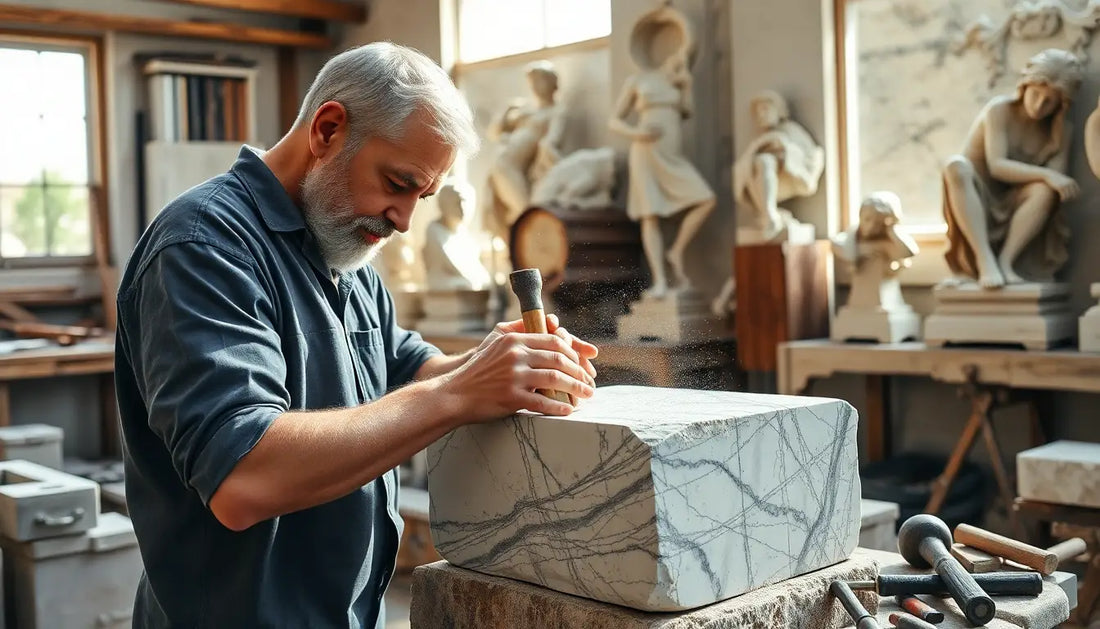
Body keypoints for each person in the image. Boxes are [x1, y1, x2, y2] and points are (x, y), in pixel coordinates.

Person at [114, 42, 598, 628]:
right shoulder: (204, 247)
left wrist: (506, 362)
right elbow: (243, 475)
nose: (404, 219)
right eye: (397, 183)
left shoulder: (342, 252)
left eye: (421, 197)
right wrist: (458, 393)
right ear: (328, 129)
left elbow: (410, 367)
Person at [942, 48, 1082, 288]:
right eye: (1036, 94)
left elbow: (1058, 184)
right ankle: (984, 257)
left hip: (1018, 203)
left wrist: (1050, 178)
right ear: (1025, 87)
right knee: (956, 166)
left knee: (1046, 191)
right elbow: (997, 167)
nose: (1039, 105)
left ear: (1061, 105)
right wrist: (1048, 174)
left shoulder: (1062, 133)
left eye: (1049, 101)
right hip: (979, 197)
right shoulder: (1000, 110)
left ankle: (1007, 262)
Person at [609, 9, 715, 299]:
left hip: (672, 154)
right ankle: (659, 282)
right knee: (650, 215)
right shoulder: (637, 82)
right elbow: (614, 120)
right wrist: (637, 134)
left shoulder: (678, 82)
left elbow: (687, 112)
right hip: (645, 150)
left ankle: (676, 251)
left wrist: (687, 84)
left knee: (706, 198)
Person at [483, 60, 565, 239]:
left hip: (511, 168)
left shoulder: (556, 112)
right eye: (532, 82)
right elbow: (494, 132)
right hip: (501, 165)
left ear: (552, 83)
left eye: (539, 80)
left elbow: (550, 143)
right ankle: (517, 256)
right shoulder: (528, 112)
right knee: (519, 216)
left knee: (525, 215)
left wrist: (560, 171)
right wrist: (507, 111)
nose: (535, 86)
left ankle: (529, 256)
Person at [731, 90, 825, 241]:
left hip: (790, 179)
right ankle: (769, 214)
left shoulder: (792, 131)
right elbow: (741, 168)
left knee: (764, 161)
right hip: (760, 184)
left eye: (765, 109)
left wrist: (784, 148)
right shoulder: (758, 139)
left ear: (779, 111)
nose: (761, 115)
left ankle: (769, 216)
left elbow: (811, 158)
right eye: (757, 112)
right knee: (762, 161)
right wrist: (757, 149)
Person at [422, 179, 491, 290]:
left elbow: (476, 269)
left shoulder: (464, 234)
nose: (463, 208)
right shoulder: (434, 230)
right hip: (443, 283)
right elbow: (454, 266)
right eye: (457, 202)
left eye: (466, 202)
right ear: (445, 204)